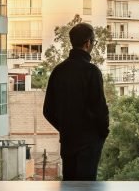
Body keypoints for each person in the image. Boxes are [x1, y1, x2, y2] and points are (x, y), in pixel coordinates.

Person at [42, 22, 110, 181]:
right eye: (93, 42)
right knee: (86, 190)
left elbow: (48, 111)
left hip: (68, 141)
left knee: (70, 190)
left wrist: (66, 127)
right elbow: (100, 108)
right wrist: (102, 133)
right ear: (88, 43)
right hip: (89, 143)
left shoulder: (59, 71)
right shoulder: (92, 72)